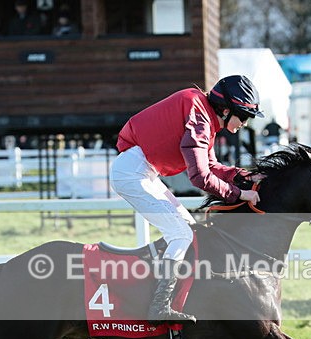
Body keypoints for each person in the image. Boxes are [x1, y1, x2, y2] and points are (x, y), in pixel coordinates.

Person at [111, 74, 264, 324]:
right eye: (244, 116)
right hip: (132, 173)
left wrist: (244, 176)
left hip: (142, 170)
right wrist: (240, 194)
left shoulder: (202, 113)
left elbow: (212, 166)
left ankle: (168, 291)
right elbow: (200, 177)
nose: (245, 123)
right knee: (180, 234)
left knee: (186, 229)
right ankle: (158, 306)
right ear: (226, 110)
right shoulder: (200, 116)